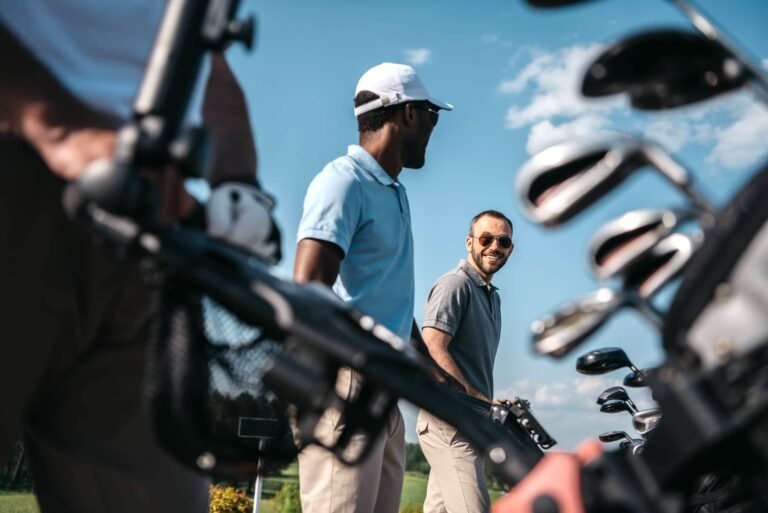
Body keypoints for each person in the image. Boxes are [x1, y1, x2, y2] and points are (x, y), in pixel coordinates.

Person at [0, 3, 267, 511]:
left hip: (151, 223)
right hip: (21, 171)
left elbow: (211, 63)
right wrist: (57, 124)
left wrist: (241, 190)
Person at [293, 62, 452, 513]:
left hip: (384, 394)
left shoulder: (394, 192)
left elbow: (389, 301)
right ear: (408, 115)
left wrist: (437, 377)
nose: (432, 129)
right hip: (344, 388)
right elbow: (308, 290)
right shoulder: (343, 181)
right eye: (432, 117)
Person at [417, 210, 515, 513]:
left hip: (467, 419)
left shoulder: (492, 296)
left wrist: (489, 405)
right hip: (450, 423)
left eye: (503, 241)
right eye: (486, 238)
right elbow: (433, 347)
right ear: (469, 242)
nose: (494, 246)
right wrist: (478, 398)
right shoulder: (454, 285)